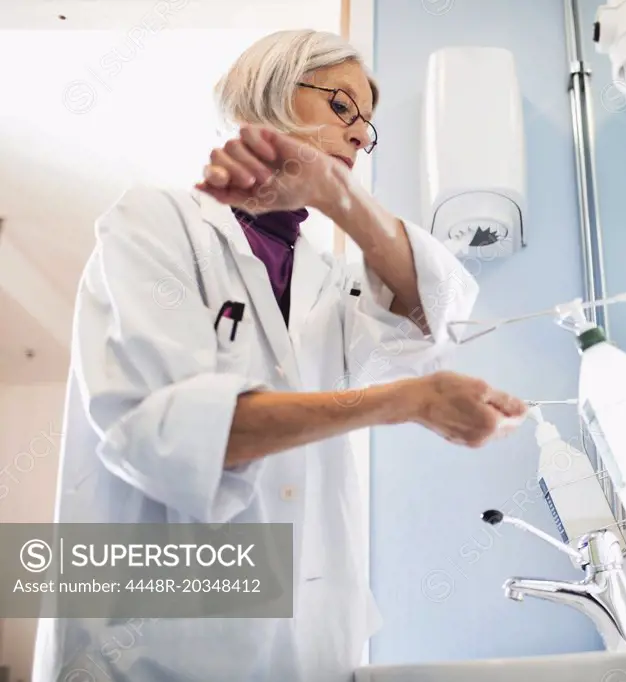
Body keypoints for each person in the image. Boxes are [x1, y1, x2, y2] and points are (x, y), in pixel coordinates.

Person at [33, 29, 527, 682]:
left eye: (368, 126)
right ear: (267, 96)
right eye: (342, 106)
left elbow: (431, 315)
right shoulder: (154, 223)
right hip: (150, 645)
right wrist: (404, 401)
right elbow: (171, 435)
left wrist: (337, 196)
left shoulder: (326, 278)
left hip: (305, 644)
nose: (359, 134)